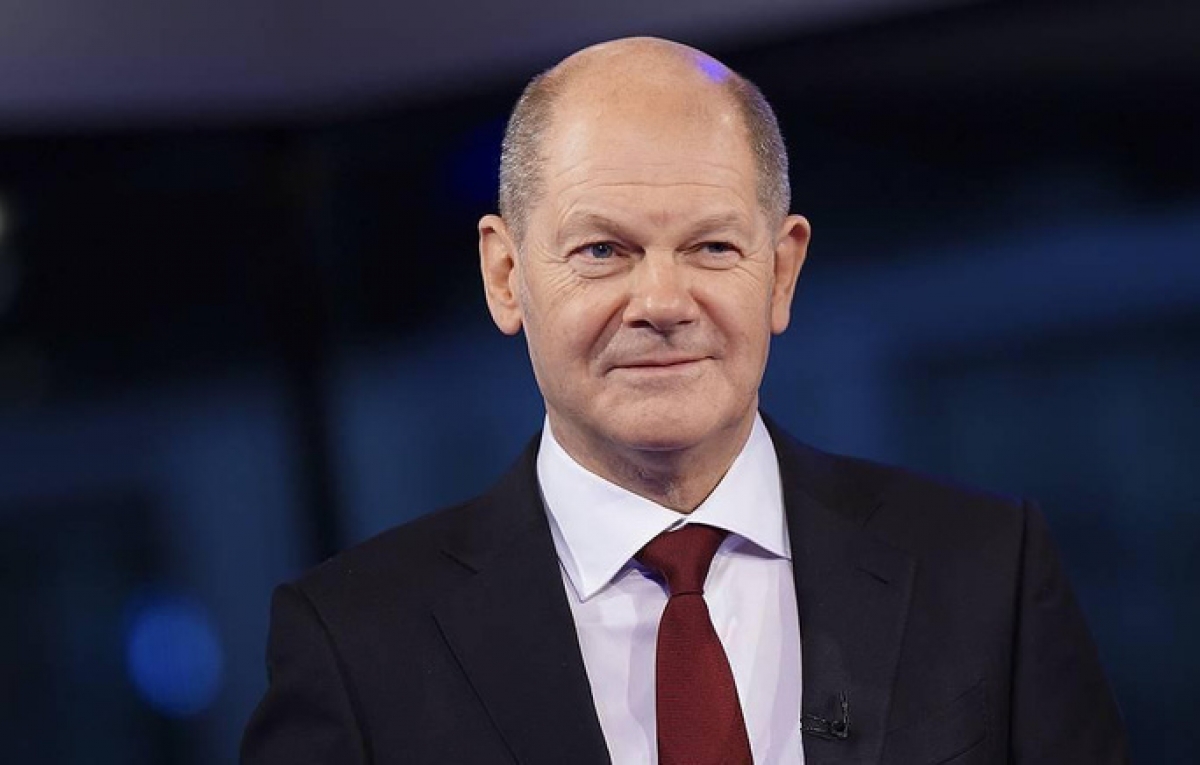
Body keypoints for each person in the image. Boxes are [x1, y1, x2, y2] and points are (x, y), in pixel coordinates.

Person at [241, 37, 1128, 764]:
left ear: (781, 271)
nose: (663, 303)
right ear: (506, 275)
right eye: (603, 251)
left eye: (711, 247)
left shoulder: (986, 573)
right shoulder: (356, 645)